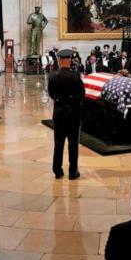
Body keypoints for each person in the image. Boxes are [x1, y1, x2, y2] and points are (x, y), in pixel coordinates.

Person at [48, 50, 84, 179]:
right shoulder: (75, 75)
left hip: (59, 114)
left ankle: (57, 170)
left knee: (58, 143)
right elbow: (81, 94)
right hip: (73, 114)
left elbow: (51, 94)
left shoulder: (52, 75)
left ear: (59, 60)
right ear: (68, 60)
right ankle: (73, 173)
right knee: (73, 144)